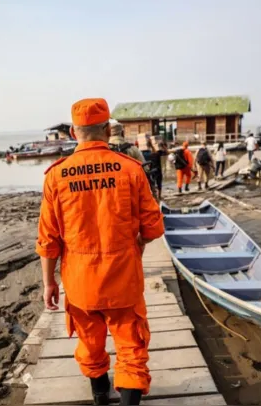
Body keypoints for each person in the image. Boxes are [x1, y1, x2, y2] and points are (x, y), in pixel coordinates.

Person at [37, 98, 164, 406]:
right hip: (123, 276)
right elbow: (152, 225)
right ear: (108, 130)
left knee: (91, 343)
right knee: (131, 345)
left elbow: (48, 238)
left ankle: (99, 396)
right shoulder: (131, 170)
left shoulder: (56, 175)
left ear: (72, 131)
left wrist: (49, 282)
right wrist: (138, 247)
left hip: (80, 281)